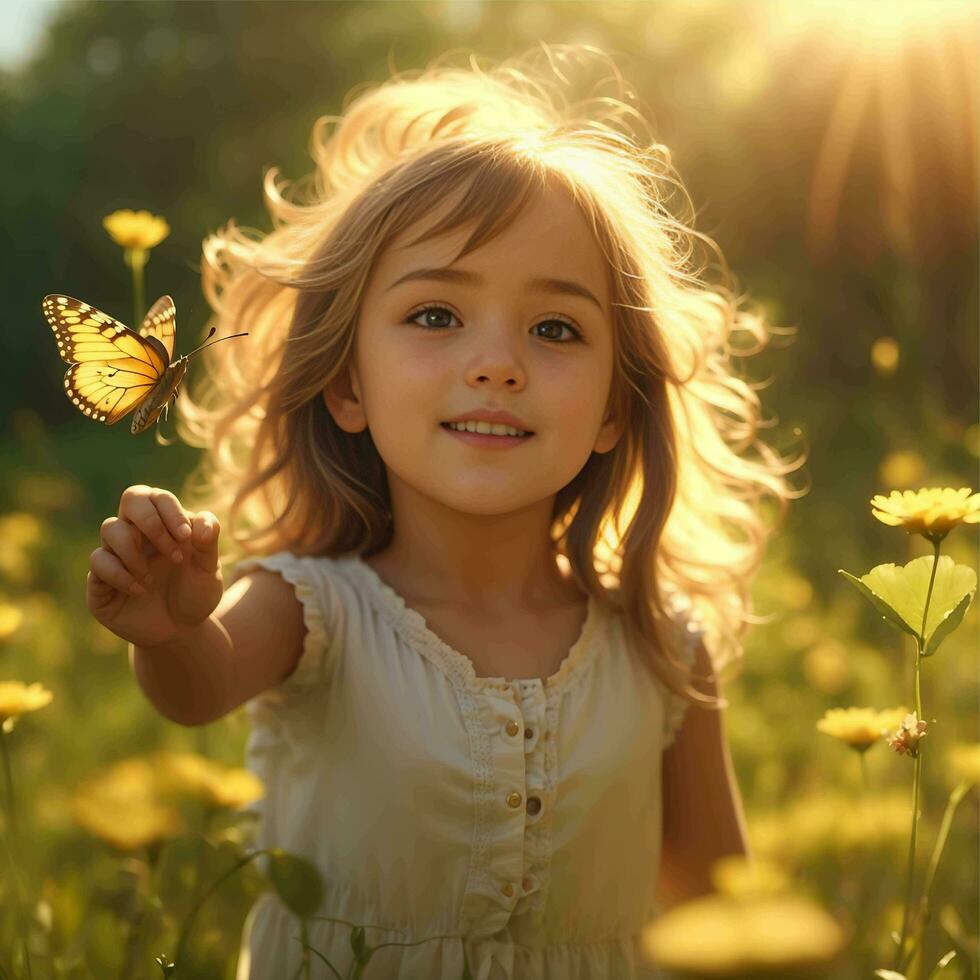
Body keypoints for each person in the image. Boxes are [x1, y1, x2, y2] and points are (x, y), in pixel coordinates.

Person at [87, 42, 801, 980]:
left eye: (556, 329)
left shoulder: (662, 646)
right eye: (435, 316)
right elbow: (198, 687)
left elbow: (720, 901)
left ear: (613, 411)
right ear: (347, 383)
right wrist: (170, 632)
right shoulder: (313, 610)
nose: (497, 363)